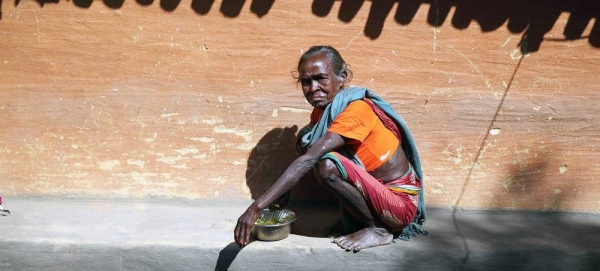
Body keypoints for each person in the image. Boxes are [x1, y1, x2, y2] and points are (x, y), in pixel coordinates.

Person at [234, 45, 427, 252]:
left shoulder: (356, 110)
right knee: (311, 144)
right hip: (376, 196)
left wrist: (256, 207)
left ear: (342, 78)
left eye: (320, 78)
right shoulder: (321, 113)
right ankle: (359, 221)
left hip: (399, 206)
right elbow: (307, 152)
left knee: (327, 164)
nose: (313, 87)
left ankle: (377, 230)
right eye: (306, 82)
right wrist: (284, 193)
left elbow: (310, 159)